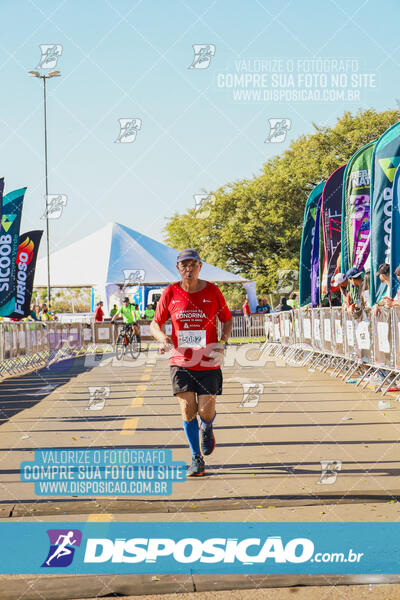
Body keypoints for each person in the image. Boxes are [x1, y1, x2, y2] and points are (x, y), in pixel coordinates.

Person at [150, 249, 233, 477]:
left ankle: (207, 427)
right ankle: (197, 458)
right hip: (180, 360)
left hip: (208, 361)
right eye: (183, 265)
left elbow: (227, 319)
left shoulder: (213, 291)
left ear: (200, 267)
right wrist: (162, 338)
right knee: (188, 409)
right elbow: (155, 323)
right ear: (178, 268)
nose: (188, 268)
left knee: (205, 411)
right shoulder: (171, 292)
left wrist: (222, 342)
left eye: (192, 264)